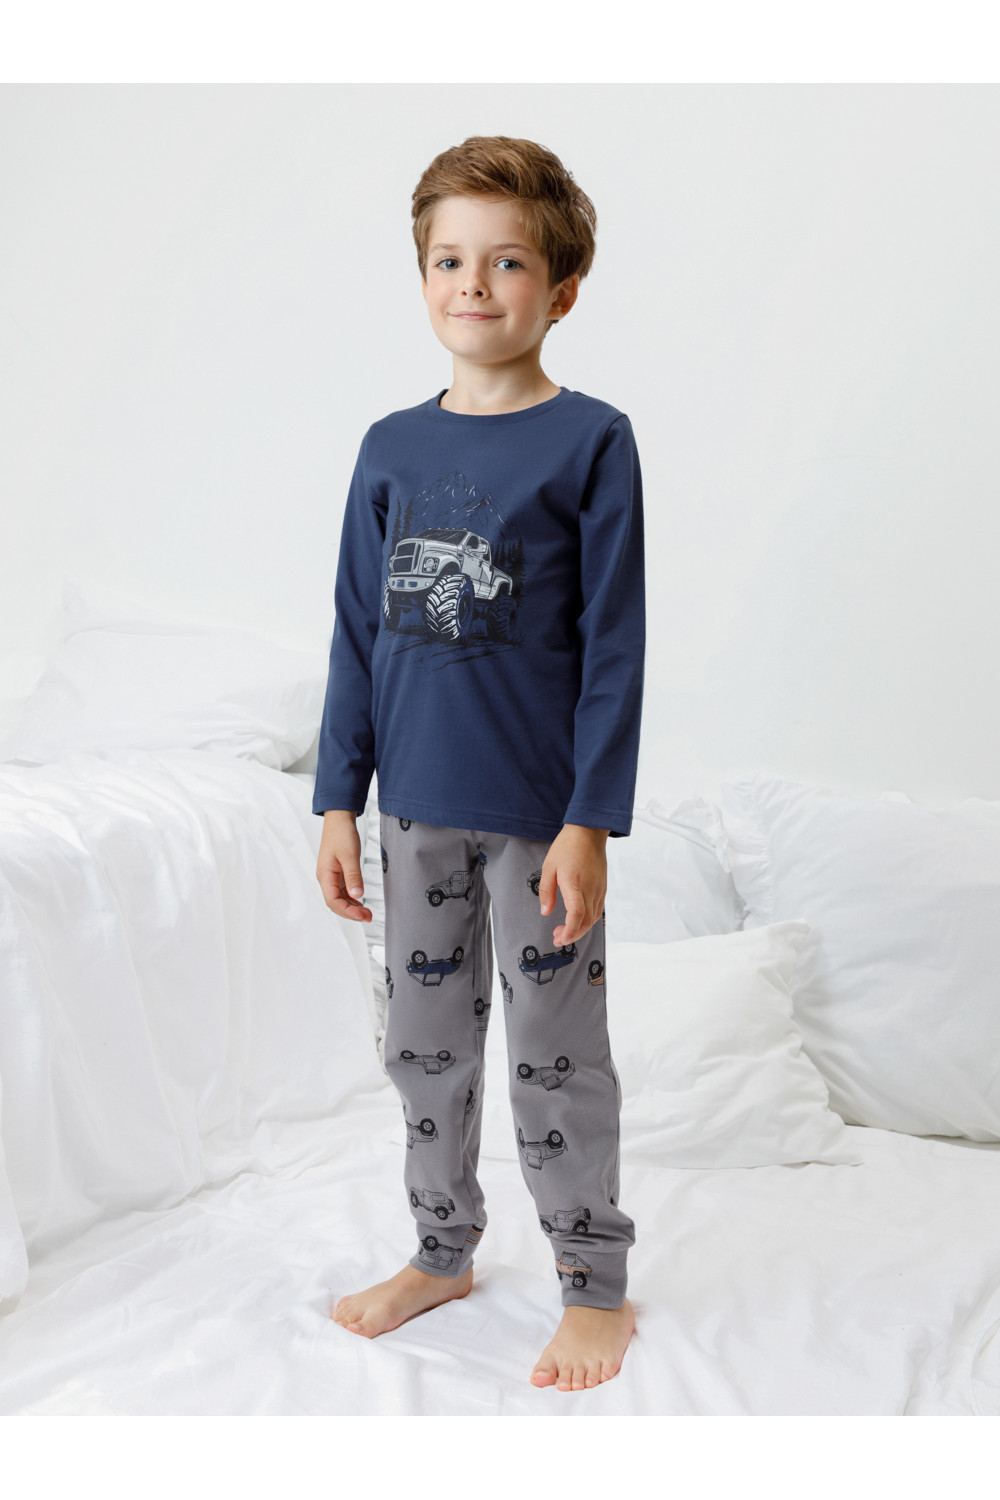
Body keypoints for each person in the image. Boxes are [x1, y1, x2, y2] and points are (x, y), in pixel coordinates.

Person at [313, 135, 645, 1394]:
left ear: (560, 291)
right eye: (449, 260)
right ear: (422, 279)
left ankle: (593, 1284)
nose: (473, 283)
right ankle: (441, 1252)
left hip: (540, 822)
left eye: (506, 262)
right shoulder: (388, 448)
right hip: (412, 814)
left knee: (555, 1056)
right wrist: (337, 799)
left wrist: (590, 819)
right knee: (422, 1049)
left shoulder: (592, 442)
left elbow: (614, 647)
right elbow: (356, 631)